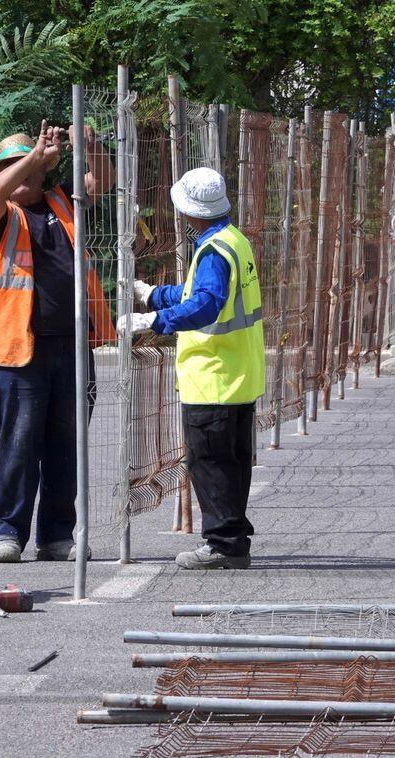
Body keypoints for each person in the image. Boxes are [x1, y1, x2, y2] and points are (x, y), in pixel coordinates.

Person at [0, 121, 114, 563]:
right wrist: (35, 156)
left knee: (65, 447)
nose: (20, 173)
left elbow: (104, 181)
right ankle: (7, 532)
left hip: (72, 347)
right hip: (19, 351)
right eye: (11, 167)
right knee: (18, 446)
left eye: (26, 165)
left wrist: (89, 144)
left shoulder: (61, 201)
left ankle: (57, 535)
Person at [118, 167, 265, 569]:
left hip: (213, 375)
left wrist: (153, 322)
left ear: (190, 211)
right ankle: (233, 541)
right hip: (239, 374)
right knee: (231, 464)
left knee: (211, 463)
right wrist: (153, 296)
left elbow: (206, 304)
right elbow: (194, 292)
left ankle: (222, 543)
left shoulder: (213, 250)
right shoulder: (232, 241)